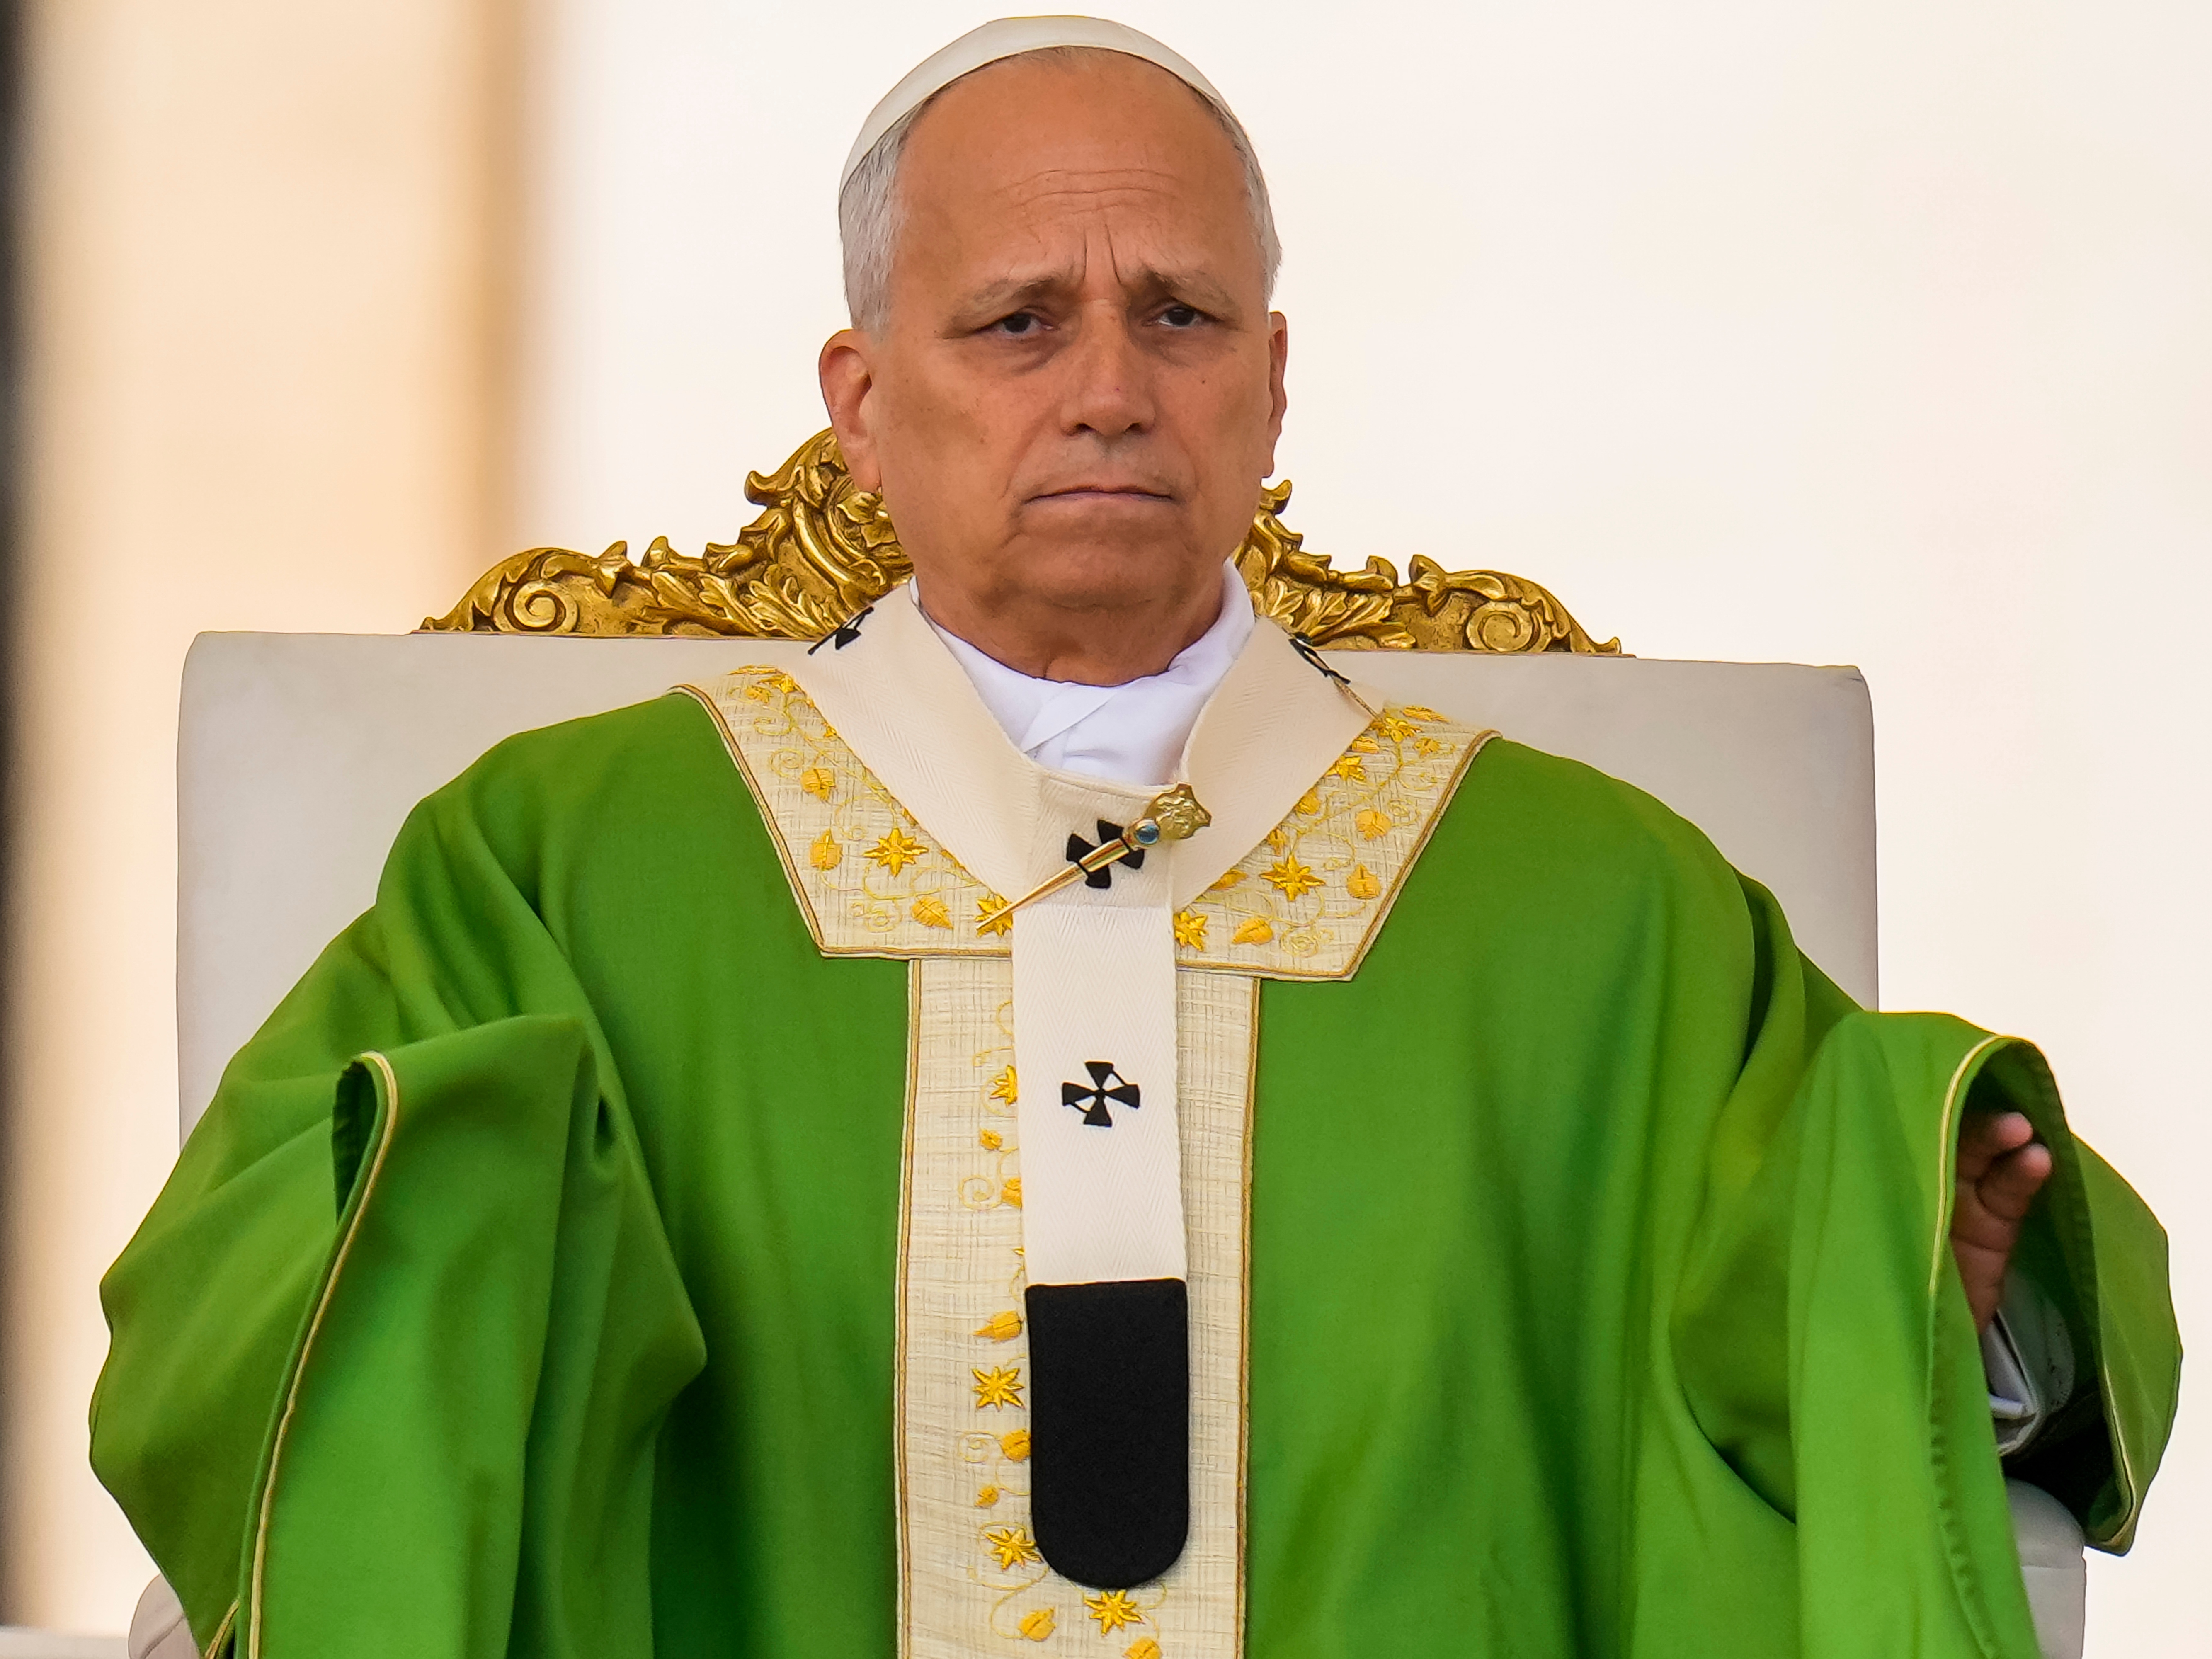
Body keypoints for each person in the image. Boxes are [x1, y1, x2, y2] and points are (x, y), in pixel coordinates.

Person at [91, 17, 2177, 1659]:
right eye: (1015, 321)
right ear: (857, 395)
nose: (1105, 385)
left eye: (1177, 317)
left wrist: (1931, 1287)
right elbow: (263, 1321)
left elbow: (1810, 1318)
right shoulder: (558, 865)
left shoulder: (1599, 913)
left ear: (1270, 389)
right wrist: (404, 1263)